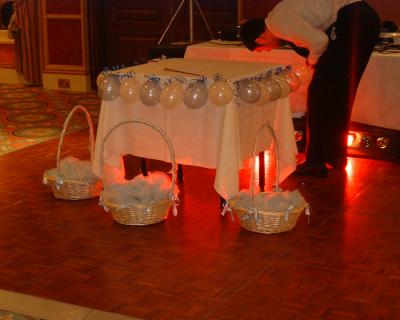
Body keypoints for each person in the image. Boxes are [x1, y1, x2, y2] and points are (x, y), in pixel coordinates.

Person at [239, 0, 380, 177]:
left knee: (319, 97)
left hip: (354, 19)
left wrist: (313, 62)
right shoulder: (278, 17)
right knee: (337, 94)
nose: (267, 51)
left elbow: (320, 41)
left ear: (260, 40)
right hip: (361, 17)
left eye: (263, 50)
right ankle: (334, 157)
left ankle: (317, 162)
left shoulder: (278, 23)